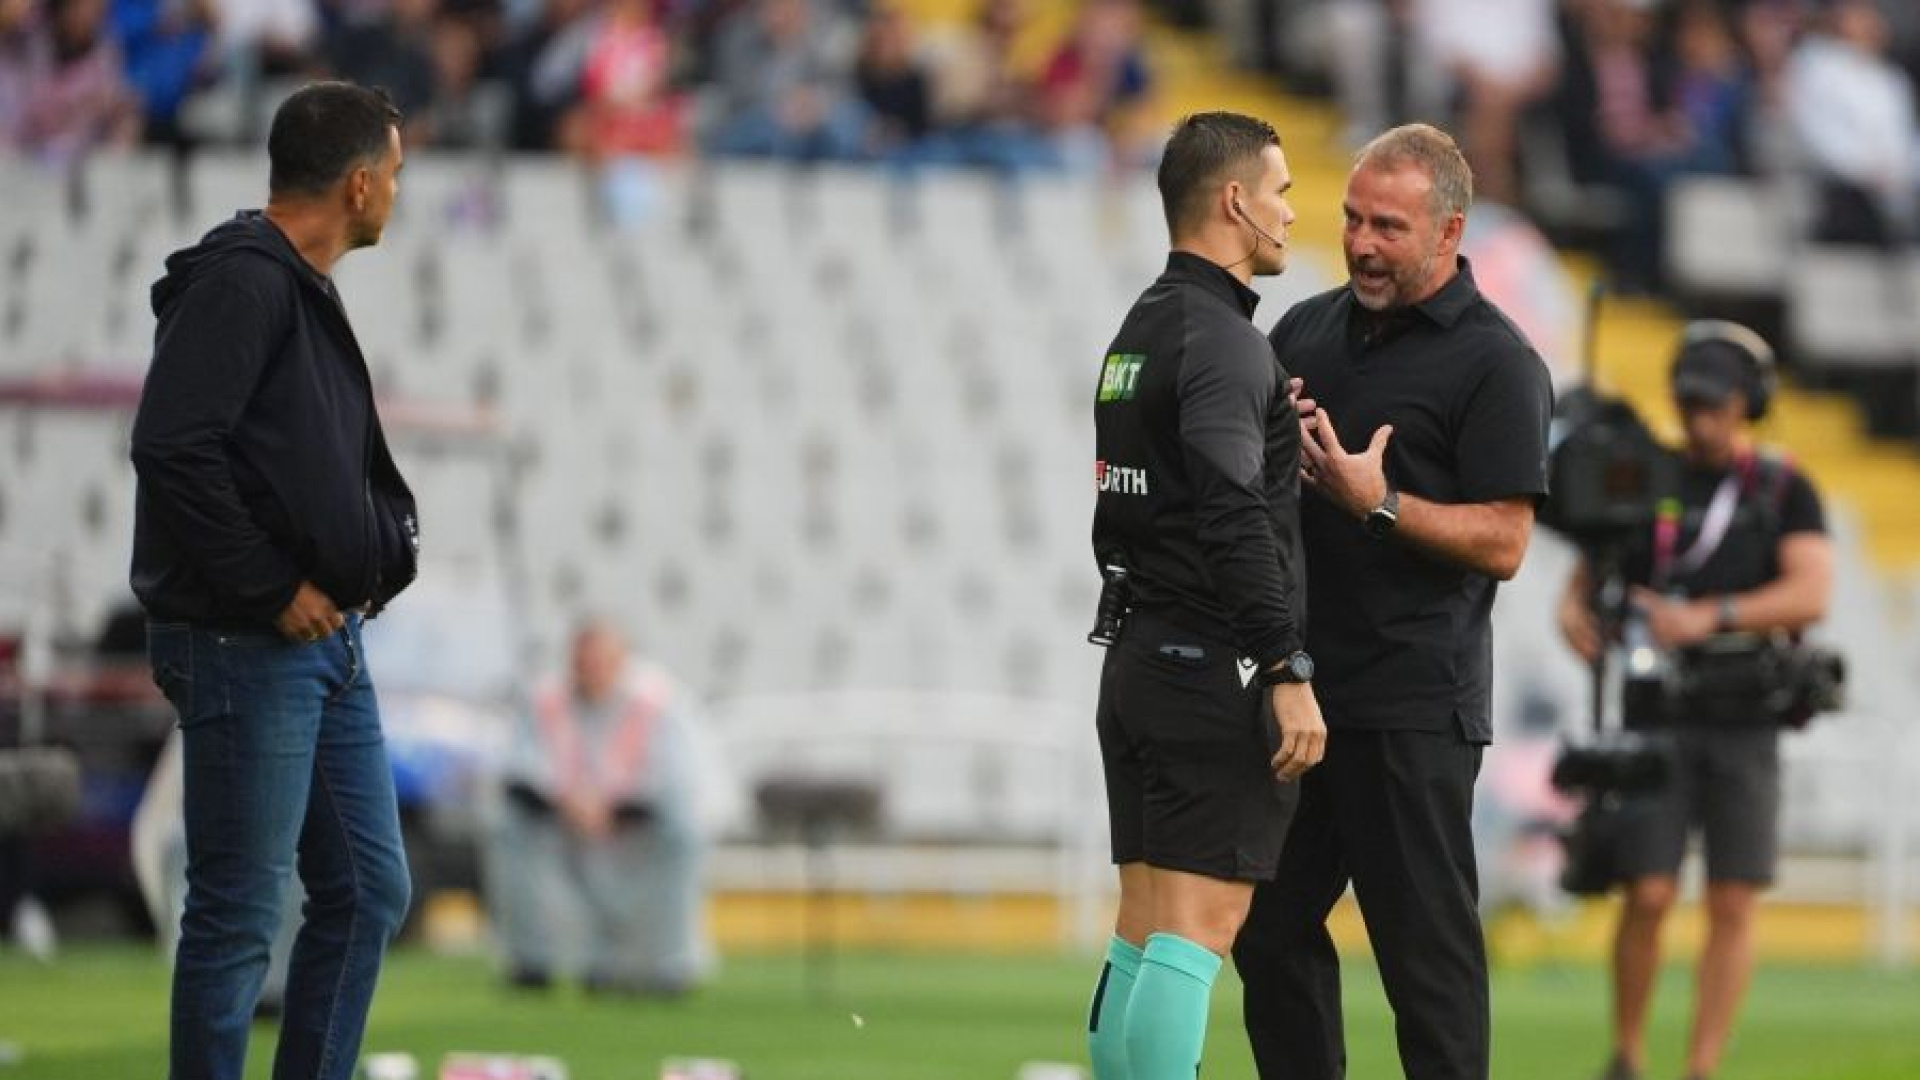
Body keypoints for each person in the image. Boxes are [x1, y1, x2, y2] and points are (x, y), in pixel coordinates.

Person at [1234, 122, 1554, 1080]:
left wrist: (1378, 504)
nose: (1363, 242)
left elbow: (1504, 540)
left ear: (1448, 233)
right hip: (1304, 694)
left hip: (1414, 703)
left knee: (1427, 967)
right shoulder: (1305, 329)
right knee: (1268, 930)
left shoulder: (1499, 363)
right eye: (1352, 218)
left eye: (1389, 227)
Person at [129, 80, 420, 1080]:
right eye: (393, 173)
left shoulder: (296, 281)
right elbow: (171, 448)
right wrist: (266, 586)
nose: (396, 191)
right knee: (238, 914)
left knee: (368, 891)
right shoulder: (244, 284)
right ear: (356, 185)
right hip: (248, 641)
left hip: (323, 642)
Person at [1086, 110, 1325, 1080]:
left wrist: (1270, 425)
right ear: (1235, 201)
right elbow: (1229, 513)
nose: (1290, 213)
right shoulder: (1225, 345)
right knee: (1201, 929)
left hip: (1140, 656)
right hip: (1205, 668)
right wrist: (1283, 662)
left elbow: (1185, 483)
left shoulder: (1145, 324)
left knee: (1141, 932)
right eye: (1281, 192)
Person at [1556, 322, 1832, 1080]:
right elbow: (1588, 573)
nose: (1698, 415)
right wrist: (1576, 615)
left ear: (1749, 403)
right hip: (1657, 710)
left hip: (1745, 714)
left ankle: (1702, 1065)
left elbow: (1812, 588)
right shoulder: (1644, 474)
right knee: (1645, 890)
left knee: (1733, 899)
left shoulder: (1782, 487)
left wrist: (1712, 618)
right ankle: (1628, 1052)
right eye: (1689, 401)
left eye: (1714, 402)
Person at [485, 619, 717, 996]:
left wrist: (613, 811)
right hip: (560, 825)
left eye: (601, 661)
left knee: (683, 831)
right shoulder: (546, 699)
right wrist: (568, 803)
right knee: (509, 826)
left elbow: (677, 777)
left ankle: (663, 964)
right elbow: (519, 770)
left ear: (622, 661)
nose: (591, 670)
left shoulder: (658, 702)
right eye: (583, 661)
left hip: (637, 827)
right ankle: (534, 960)